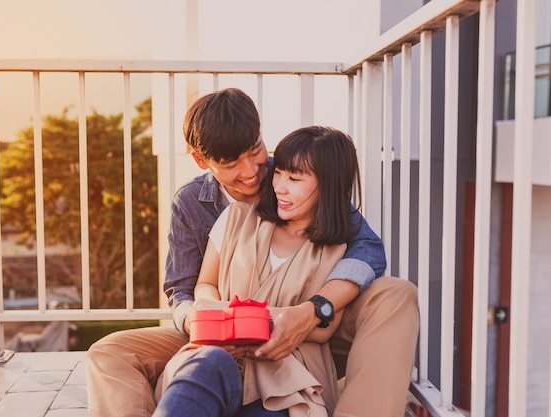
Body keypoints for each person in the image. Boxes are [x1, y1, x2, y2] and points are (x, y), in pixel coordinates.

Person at [85, 88, 419, 417]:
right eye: (231, 163)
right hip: (222, 327)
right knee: (109, 353)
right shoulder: (193, 204)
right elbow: (183, 290)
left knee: (395, 293)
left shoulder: (294, 172)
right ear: (202, 160)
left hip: (306, 327)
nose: (251, 172)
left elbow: (368, 247)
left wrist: (314, 311)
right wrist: (204, 326)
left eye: (255, 150)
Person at [154, 125, 365, 417]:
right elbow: (204, 285)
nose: (278, 185)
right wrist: (223, 322)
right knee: (201, 370)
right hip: (222, 354)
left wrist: (251, 321)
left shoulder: (337, 253)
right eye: (278, 172)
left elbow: (322, 328)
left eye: (294, 178)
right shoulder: (236, 217)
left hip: (289, 378)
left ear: (328, 185)